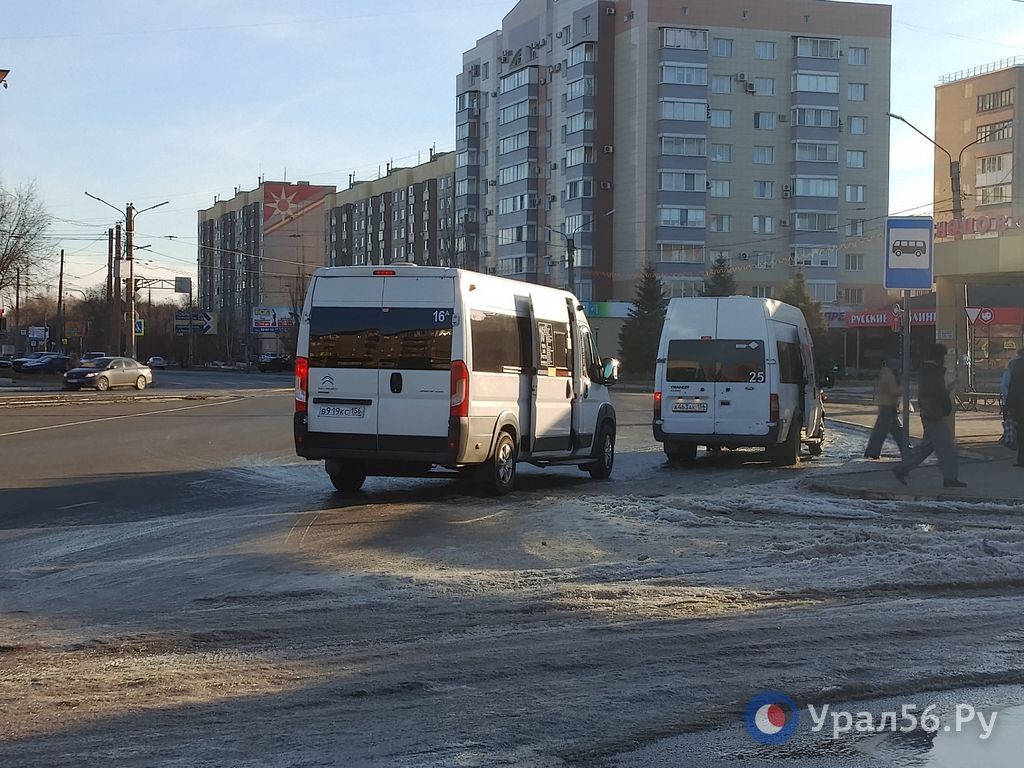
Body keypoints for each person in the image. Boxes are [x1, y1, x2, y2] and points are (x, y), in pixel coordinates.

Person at [892, 343, 966, 488]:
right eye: (944, 356)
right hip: (934, 415)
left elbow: (934, 393)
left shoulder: (929, 371)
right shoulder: (933, 372)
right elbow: (936, 394)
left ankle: (901, 469)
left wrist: (949, 388)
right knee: (948, 449)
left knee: (925, 448)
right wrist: (945, 403)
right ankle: (950, 478)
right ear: (940, 356)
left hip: (930, 414)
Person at [864, 358, 906, 460]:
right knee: (888, 431)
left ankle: (872, 452)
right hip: (888, 406)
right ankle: (906, 449)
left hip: (887, 405)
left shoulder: (886, 373)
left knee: (892, 430)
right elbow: (893, 391)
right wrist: (904, 388)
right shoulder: (889, 375)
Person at [1006, 349, 1024, 468]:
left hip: (1020, 405)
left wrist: (1008, 406)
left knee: (1021, 432)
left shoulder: (1018, 364)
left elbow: (1013, 386)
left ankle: (1022, 459)